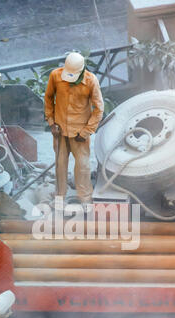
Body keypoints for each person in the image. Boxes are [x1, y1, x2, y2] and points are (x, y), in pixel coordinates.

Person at [44, 51, 104, 208]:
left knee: (83, 166)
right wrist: (51, 123)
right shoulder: (55, 76)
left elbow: (99, 108)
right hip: (60, 131)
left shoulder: (91, 81)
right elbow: (49, 98)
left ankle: (85, 197)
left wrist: (86, 132)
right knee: (60, 165)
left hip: (80, 133)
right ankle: (59, 198)